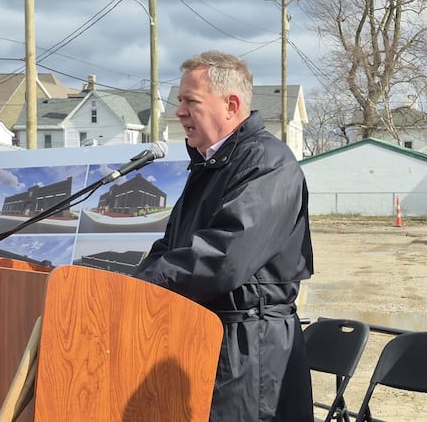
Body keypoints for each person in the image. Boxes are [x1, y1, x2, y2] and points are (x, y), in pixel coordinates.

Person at [132, 50, 314, 422]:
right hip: (207, 336)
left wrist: (142, 284)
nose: (178, 111)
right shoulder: (209, 165)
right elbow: (169, 246)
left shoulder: (268, 163)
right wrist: (128, 287)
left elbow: (223, 257)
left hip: (250, 349)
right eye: (179, 101)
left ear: (231, 105)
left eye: (190, 101)